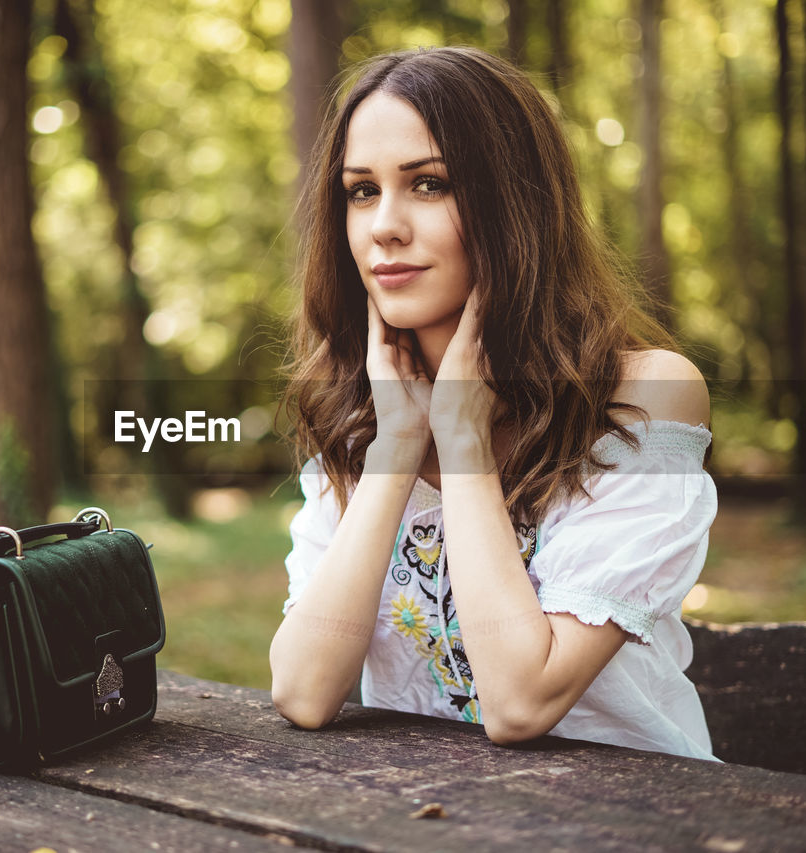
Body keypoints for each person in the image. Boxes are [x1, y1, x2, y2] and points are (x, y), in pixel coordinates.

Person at [269, 46, 718, 760]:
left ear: (515, 201)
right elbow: (303, 690)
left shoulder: (643, 396)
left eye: (429, 184)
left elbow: (519, 700)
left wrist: (465, 443)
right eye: (361, 190)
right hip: (426, 819)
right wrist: (394, 452)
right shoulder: (365, 410)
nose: (384, 224)